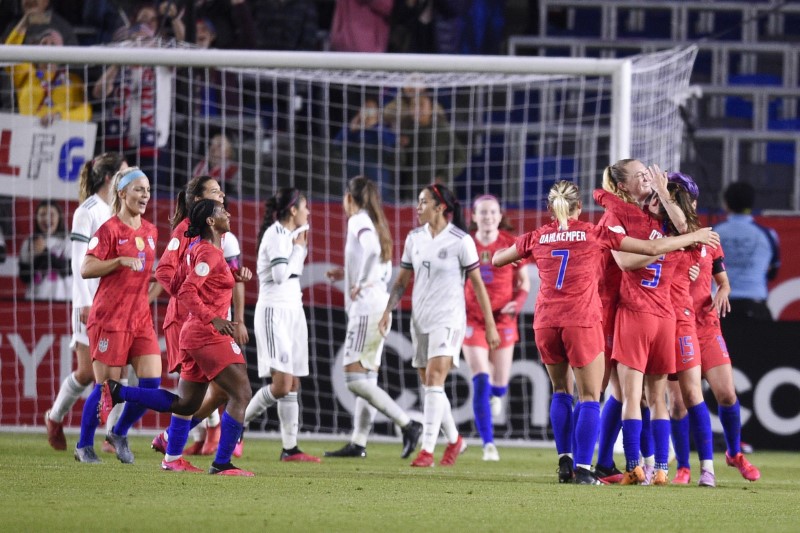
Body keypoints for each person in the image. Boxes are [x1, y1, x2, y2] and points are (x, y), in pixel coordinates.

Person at [492, 180, 718, 485]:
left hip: (545, 322)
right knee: (588, 395)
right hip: (581, 321)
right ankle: (585, 470)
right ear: (579, 208)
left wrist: (527, 253)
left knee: (560, 391)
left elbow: (497, 259)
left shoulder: (538, 236)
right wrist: (693, 236)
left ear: (550, 208)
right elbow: (651, 248)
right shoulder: (593, 232)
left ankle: (564, 462)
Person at [99, 199, 254, 476]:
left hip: (194, 334)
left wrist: (233, 274)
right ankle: (222, 463)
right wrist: (213, 318)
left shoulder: (204, 250)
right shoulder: (209, 253)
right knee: (241, 392)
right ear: (210, 221)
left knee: (187, 404)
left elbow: (197, 279)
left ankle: (118, 391)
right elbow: (186, 291)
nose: (227, 213)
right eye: (221, 211)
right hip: (207, 334)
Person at [378, 183, 499, 467]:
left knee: (434, 379)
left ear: (440, 207)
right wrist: (387, 310)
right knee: (430, 384)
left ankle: (427, 450)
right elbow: (402, 282)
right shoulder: (414, 238)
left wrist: (490, 325)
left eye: (423, 202)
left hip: (449, 319)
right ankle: (455, 439)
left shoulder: (460, 240)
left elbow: (479, 286)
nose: (417, 207)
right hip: (420, 319)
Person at [595, 171, 701, 486]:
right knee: (656, 399)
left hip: (631, 314)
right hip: (665, 318)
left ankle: (629, 466)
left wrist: (607, 192)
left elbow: (627, 260)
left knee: (622, 394)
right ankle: (659, 469)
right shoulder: (683, 238)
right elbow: (689, 230)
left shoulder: (638, 226)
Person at [150, 176, 251, 461]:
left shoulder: (223, 235)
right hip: (194, 320)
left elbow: (226, 277)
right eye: (215, 193)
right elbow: (166, 274)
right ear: (199, 201)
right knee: (228, 390)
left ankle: (173, 445)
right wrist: (189, 303)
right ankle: (211, 452)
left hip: (215, 318)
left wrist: (237, 315)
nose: (222, 197)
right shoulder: (185, 232)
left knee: (207, 394)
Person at [323, 176, 423, 459]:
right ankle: (359, 441)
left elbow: (372, 250)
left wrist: (360, 282)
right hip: (379, 306)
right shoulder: (377, 223)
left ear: (350, 199)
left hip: (367, 308)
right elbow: (380, 263)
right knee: (367, 377)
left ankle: (407, 424)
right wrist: (349, 274)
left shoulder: (358, 219)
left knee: (354, 380)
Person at [670, 175, 761, 484]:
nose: (684, 206)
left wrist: (723, 290)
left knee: (726, 393)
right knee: (679, 404)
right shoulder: (663, 238)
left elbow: (722, 279)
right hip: (676, 326)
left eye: (687, 200)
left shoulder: (711, 239)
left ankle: (734, 453)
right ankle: (683, 466)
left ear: (694, 203)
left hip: (707, 325)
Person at [73, 166, 162, 464]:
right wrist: (119, 260)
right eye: (139, 189)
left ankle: (119, 431)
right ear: (122, 193)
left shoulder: (151, 232)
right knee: (106, 390)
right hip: (109, 320)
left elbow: (147, 276)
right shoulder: (109, 230)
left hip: (140, 321)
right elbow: (86, 268)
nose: (145, 194)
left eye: (148, 189)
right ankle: (84, 445)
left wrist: (151, 292)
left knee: (151, 384)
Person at [44, 152, 126, 451]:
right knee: (88, 372)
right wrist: (83, 302)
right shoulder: (87, 211)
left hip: (117, 302)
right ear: (109, 177)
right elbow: (78, 261)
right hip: (91, 302)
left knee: (123, 367)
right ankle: (54, 417)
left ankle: (112, 435)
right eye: (124, 172)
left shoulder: (118, 210)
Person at [243, 187, 321, 463]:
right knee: (281, 384)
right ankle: (238, 421)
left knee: (293, 383)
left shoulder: (289, 236)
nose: (308, 212)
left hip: (293, 311)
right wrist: (299, 250)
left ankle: (290, 447)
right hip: (274, 312)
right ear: (293, 210)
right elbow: (278, 276)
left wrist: (299, 247)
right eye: (305, 207)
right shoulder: (276, 235)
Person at [462, 194, 530, 462]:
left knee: (499, 385)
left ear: (500, 216)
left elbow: (523, 282)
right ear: (474, 216)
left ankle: (498, 394)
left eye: (493, 212)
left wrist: (518, 302)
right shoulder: (466, 244)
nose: (488, 217)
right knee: (480, 378)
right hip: (473, 319)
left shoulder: (510, 244)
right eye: (483, 212)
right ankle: (488, 443)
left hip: (503, 320)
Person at [714, 182, 780, 321]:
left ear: (726, 203)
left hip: (721, 305)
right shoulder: (767, 234)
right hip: (755, 305)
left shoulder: (713, 233)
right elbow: (773, 271)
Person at [5, 24, 92, 126]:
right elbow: (8, 53)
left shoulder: (74, 80)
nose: (48, 48)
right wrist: (25, 23)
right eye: (44, 43)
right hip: (25, 133)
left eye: (53, 44)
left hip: (60, 135)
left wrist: (59, 116)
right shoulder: (26, 73)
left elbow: (86, 112)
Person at [18, 199, 72, 301]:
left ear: (59, 217)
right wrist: (39, 257)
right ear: (36, 218)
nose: (46, 219)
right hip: (35, 300)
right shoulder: (29, 241)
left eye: (51, 214)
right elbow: (25, 278)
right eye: (42, 214)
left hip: (63, 300)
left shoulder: (69, 240)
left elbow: (69, 270)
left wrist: (44, 252)